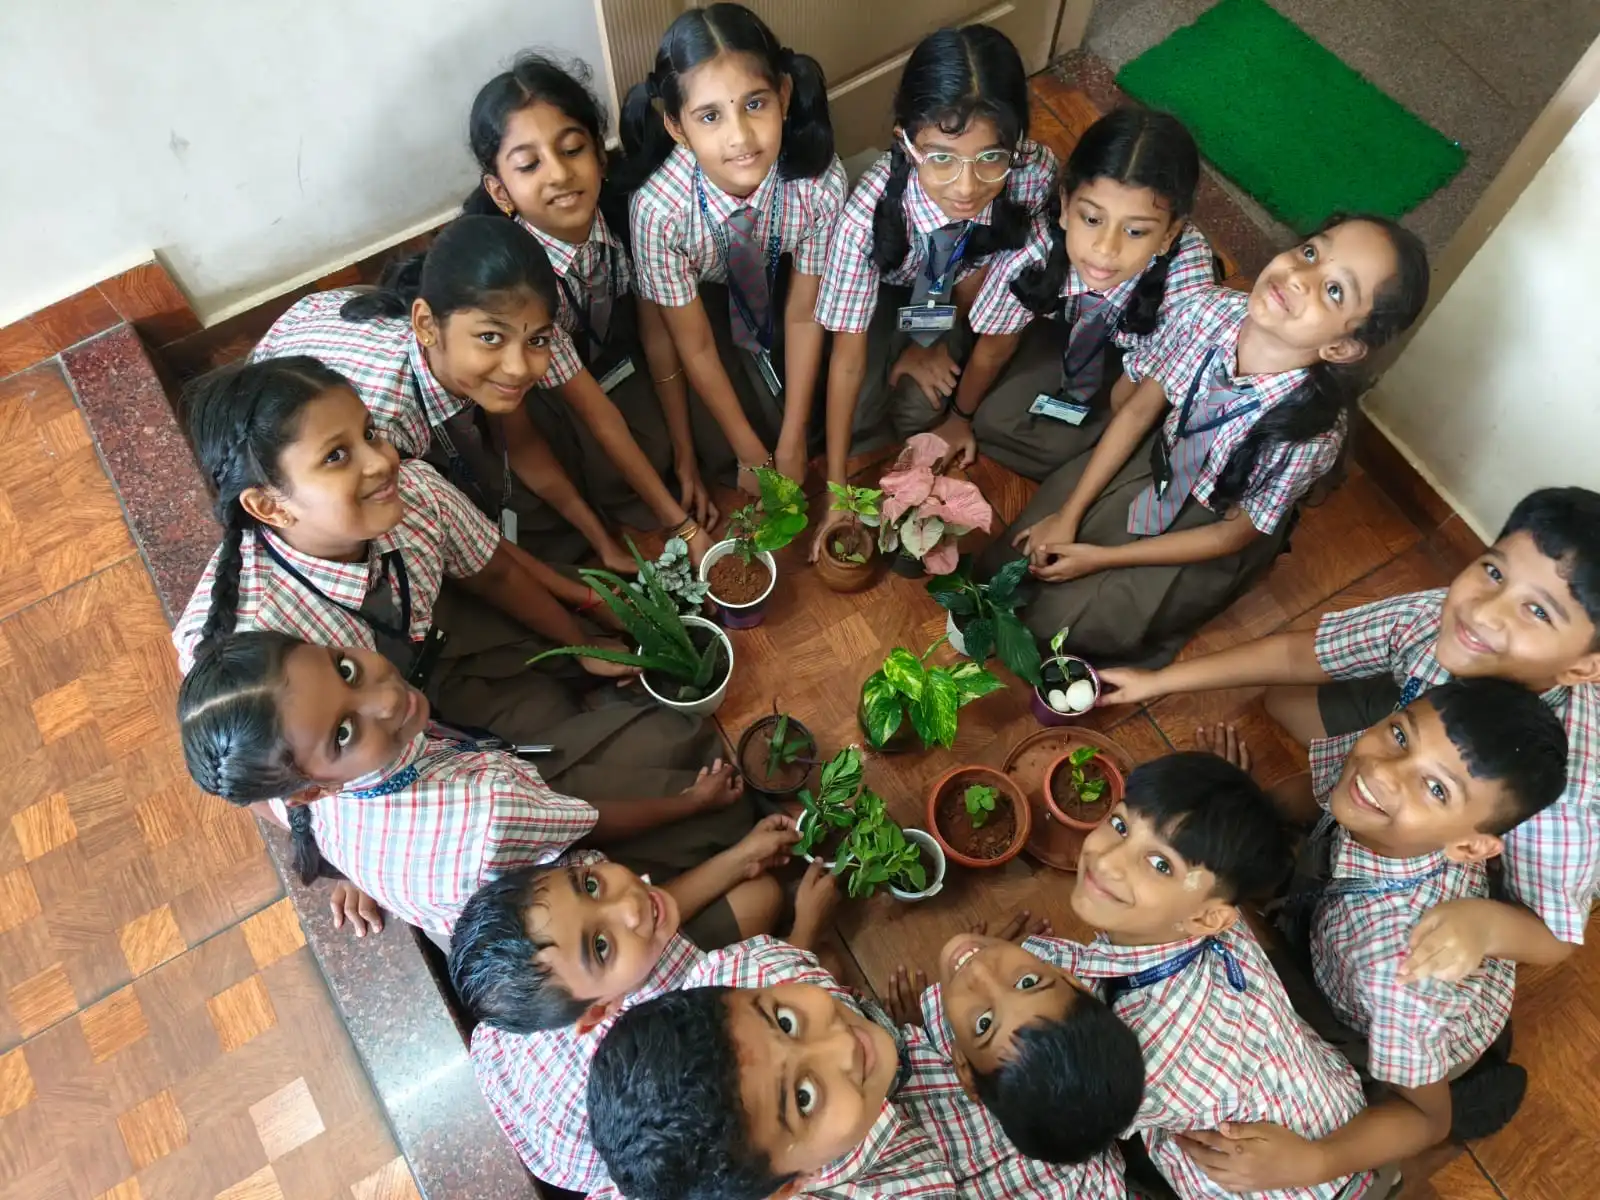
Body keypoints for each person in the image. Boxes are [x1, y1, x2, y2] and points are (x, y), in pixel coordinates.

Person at [1102, 486, 1600, 967]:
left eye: (1537, 611)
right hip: (1418, 723)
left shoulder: (1570, 803)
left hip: (1434, 863)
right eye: (1494, 571)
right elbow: (1300, 654)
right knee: (1283, 702)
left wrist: (1482, 924)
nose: (1485, 611)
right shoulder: (1449, 624)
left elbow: (1554, 938)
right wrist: (1157, 681)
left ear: (1582, 668)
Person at [979, 215, 1430, 668]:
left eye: (1334, 291)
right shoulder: (1205, 311)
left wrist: (1101, 557)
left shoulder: (1312, 435)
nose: (1298, 277)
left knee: (1064, 627)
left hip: (1213, 516)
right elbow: (1138, 411)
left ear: (1343, 348)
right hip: (1159, 459)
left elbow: (1234, 532)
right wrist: (1069, 513)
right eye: (1310, 252)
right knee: (1015, 559)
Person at [1180, 681, 1568, 1193]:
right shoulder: (1371, 778)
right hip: (1348, 940)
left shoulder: (1402, 978)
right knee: (1220, 894)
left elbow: (1427, 1119)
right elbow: (1299, 801)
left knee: (1216, 925)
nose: (1384, 772)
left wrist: (1315, 1163)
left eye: (1436, 789)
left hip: (1390, 1032)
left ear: (1470, 845)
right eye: (1402, 736)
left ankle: (1459, 1102)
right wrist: (1239, 805)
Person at [177, 630, 755, 945]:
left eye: (345, 669)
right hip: (551, 915)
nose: (385, 698)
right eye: (346, 732)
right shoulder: (485, 814)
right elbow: (593, 821)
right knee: (745, 872)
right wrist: (691, 804)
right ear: (310, 791)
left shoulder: (323, 803)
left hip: (497, 848)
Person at [172, 356, 630, 742]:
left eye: (369, 433)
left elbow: (497, 574)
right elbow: (283, 775)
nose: (381, 461)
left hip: (429, 645)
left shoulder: (413, 491)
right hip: (378, 748)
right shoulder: (251, 645)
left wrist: (580, 642)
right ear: (269, 506)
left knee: (564, 685)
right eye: (336, 456)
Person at [1035, 754, 1373, 1199]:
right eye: (1120, 825)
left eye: (1160, 865)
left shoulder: (1146, 1055)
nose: (1109, 861)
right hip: (1331, 1105)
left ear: (1209, 918)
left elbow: (1067, 1123)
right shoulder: (1211, 922)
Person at [454, 851, 843, 1194]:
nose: (630, 906)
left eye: (590, 885)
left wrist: (742, 855)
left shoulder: (544, 986)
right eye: (600, 946)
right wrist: (806, 927)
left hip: (525, 1090)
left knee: (762, 895)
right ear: (601, 1012)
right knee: (821, 953)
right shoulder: (667, 1026)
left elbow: (651, 916)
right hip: (602, 1146)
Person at [253, 214, 630, 567]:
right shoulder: (381, 427)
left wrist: (604, 543)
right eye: (489, 337)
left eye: (537, 340)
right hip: (290, 358)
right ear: (426, 325)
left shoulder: (505, 344)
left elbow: (525, 446)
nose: (517, 368)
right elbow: (475, 559)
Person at [807, 23, 1055, 554]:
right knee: (848, 412)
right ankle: (902, 357)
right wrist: (837, 491)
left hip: (957, 292)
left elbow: (996, 283)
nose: (966, 187)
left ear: (1017, 142)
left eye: (991, 156)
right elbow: (846, 359)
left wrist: (940, 346)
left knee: (922, 410)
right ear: (905, 140)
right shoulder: (864, 219)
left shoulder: (1033, 174)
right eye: (941, 157)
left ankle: (917, 358)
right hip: (888, 291)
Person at [464, 52, 719, 554]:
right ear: (501, 190)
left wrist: (688, 455)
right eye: (530, 164)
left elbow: (657, 332)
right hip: (553, 389)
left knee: (699, 435)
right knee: (609, 473)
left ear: (600, 157)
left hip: (616, 356)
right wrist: (682, 527)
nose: (559, 175)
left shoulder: (633, 215)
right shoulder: (518, 284)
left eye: (572, 148)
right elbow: (592, 409)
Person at [617, 2, 847, 489]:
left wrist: (794, 437)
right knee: (721, 448)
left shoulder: (817, 182)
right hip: (700, 299)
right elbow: (694, 344)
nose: (740, 137)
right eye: (709, 117)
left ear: (784, 95)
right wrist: (749, 451)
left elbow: (805, 311)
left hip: (777, 279)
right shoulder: (659, 212)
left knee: (833, 406)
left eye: (755, 104)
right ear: (677, 127)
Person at [584, 931, 959, 1200]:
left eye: (785, 1023)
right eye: (803, 1097)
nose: (842, 1045)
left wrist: (910, 1034)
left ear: (737, 989)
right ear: (788, 1187)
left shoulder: (756, 964)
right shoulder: (905, 1189)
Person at [949, 107, 1216, 480]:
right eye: (1092, 219)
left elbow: (1136, 403)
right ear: (1066, 207)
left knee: (1082, 448)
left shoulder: (1188, 295)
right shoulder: (1033, 253)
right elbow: (994, 348)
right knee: (992, 420)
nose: (1106, 249)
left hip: (1135, 367)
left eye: (1135, 231)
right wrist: (958, 419)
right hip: (1069, 330)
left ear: (1169, 235)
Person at [881, 918, 1141, 1198]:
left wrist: (908, 1037)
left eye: (984, 1024)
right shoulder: (1092, 973)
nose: (980, 970)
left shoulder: (915, 1123)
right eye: (1027, 982)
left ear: (964, 1069)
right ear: (1070, 979)